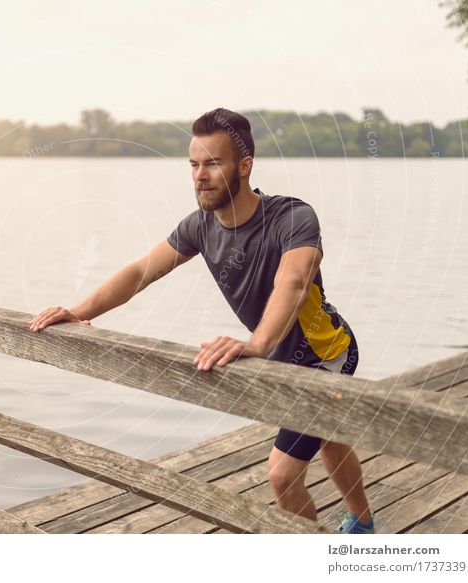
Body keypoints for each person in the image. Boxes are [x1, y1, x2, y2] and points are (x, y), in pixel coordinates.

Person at [29, 107, 374, 534]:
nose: (200, 175)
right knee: (329, 436)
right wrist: (80, 311)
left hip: (326, 354)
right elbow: (140, 272)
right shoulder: (200, 227)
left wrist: (256, 345)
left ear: (244, 166)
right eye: (194, 164)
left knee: (282, 475)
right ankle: (362, 520)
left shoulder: (292, 217)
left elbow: (295, 281)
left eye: (213, 163)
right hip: (280, 355)